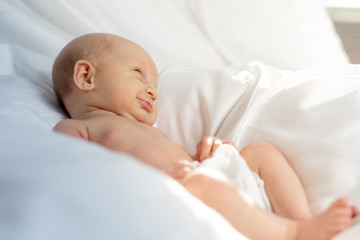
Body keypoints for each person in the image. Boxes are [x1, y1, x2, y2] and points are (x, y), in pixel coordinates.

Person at [52, 33, 359, 240]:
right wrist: (159, 174)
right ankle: (294, 232)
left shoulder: (146, 128)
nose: (153, 90)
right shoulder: (79, 129)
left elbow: (178, 157)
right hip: (181, 190)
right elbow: (83, 173)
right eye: (137, 72)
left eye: (154, 83)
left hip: (206, 179)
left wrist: (210, 154)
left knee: (260, 151)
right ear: (86, 76)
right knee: (201, 184)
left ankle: (300, 217)